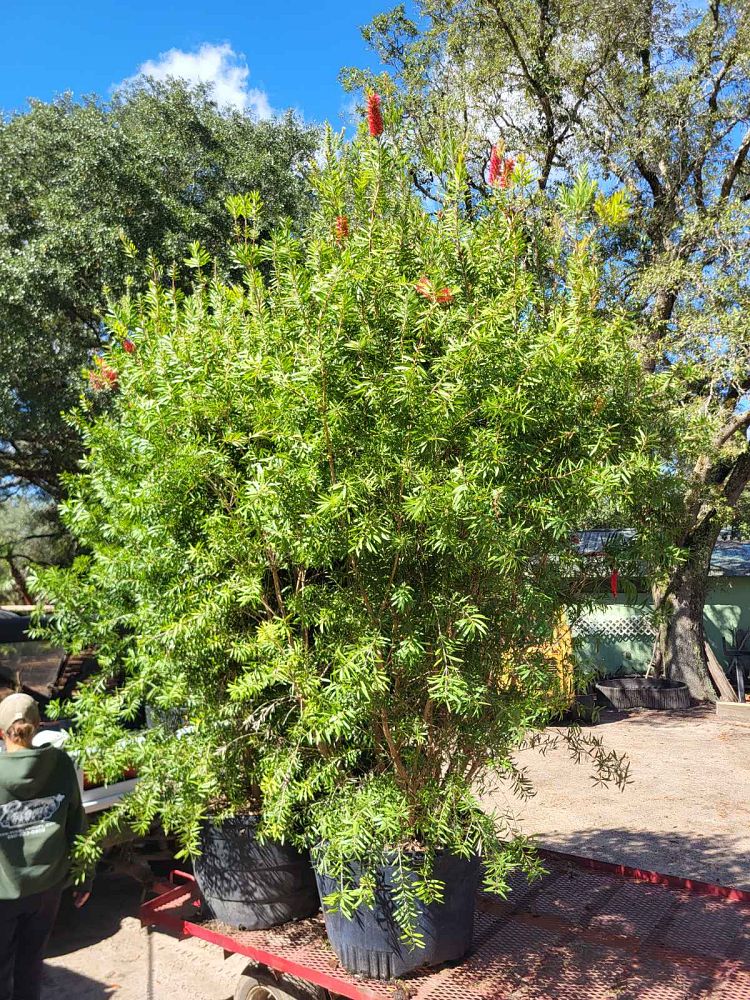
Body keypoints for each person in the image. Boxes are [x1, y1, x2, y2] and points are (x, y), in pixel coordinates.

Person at [0, 693, 90, 1000]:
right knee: (30, 964)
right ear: (37, 727)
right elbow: (78, 821)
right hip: (47, 890)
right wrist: (85, 876)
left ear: (1, 732)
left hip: (4, 892)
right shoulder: (61, 764)